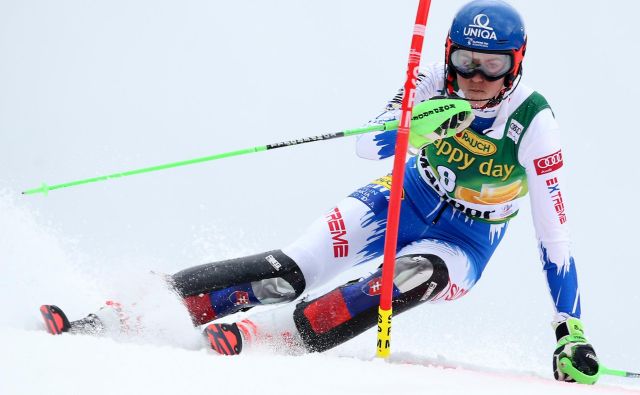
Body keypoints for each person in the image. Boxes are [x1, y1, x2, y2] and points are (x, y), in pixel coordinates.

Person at [40, 0, 599, 384]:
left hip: (464, 240)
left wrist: (567, 331)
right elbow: (365, 145)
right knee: (283, 273)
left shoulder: (533, 122)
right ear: (449, 54)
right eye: (464, 62)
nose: (476, 78)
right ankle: (132, 311)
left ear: (516, 64)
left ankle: (271, 336)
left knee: (405, 280)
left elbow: (554, 236)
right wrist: (414, 126)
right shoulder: (430, 82)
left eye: (493, 66)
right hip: (398, 200)